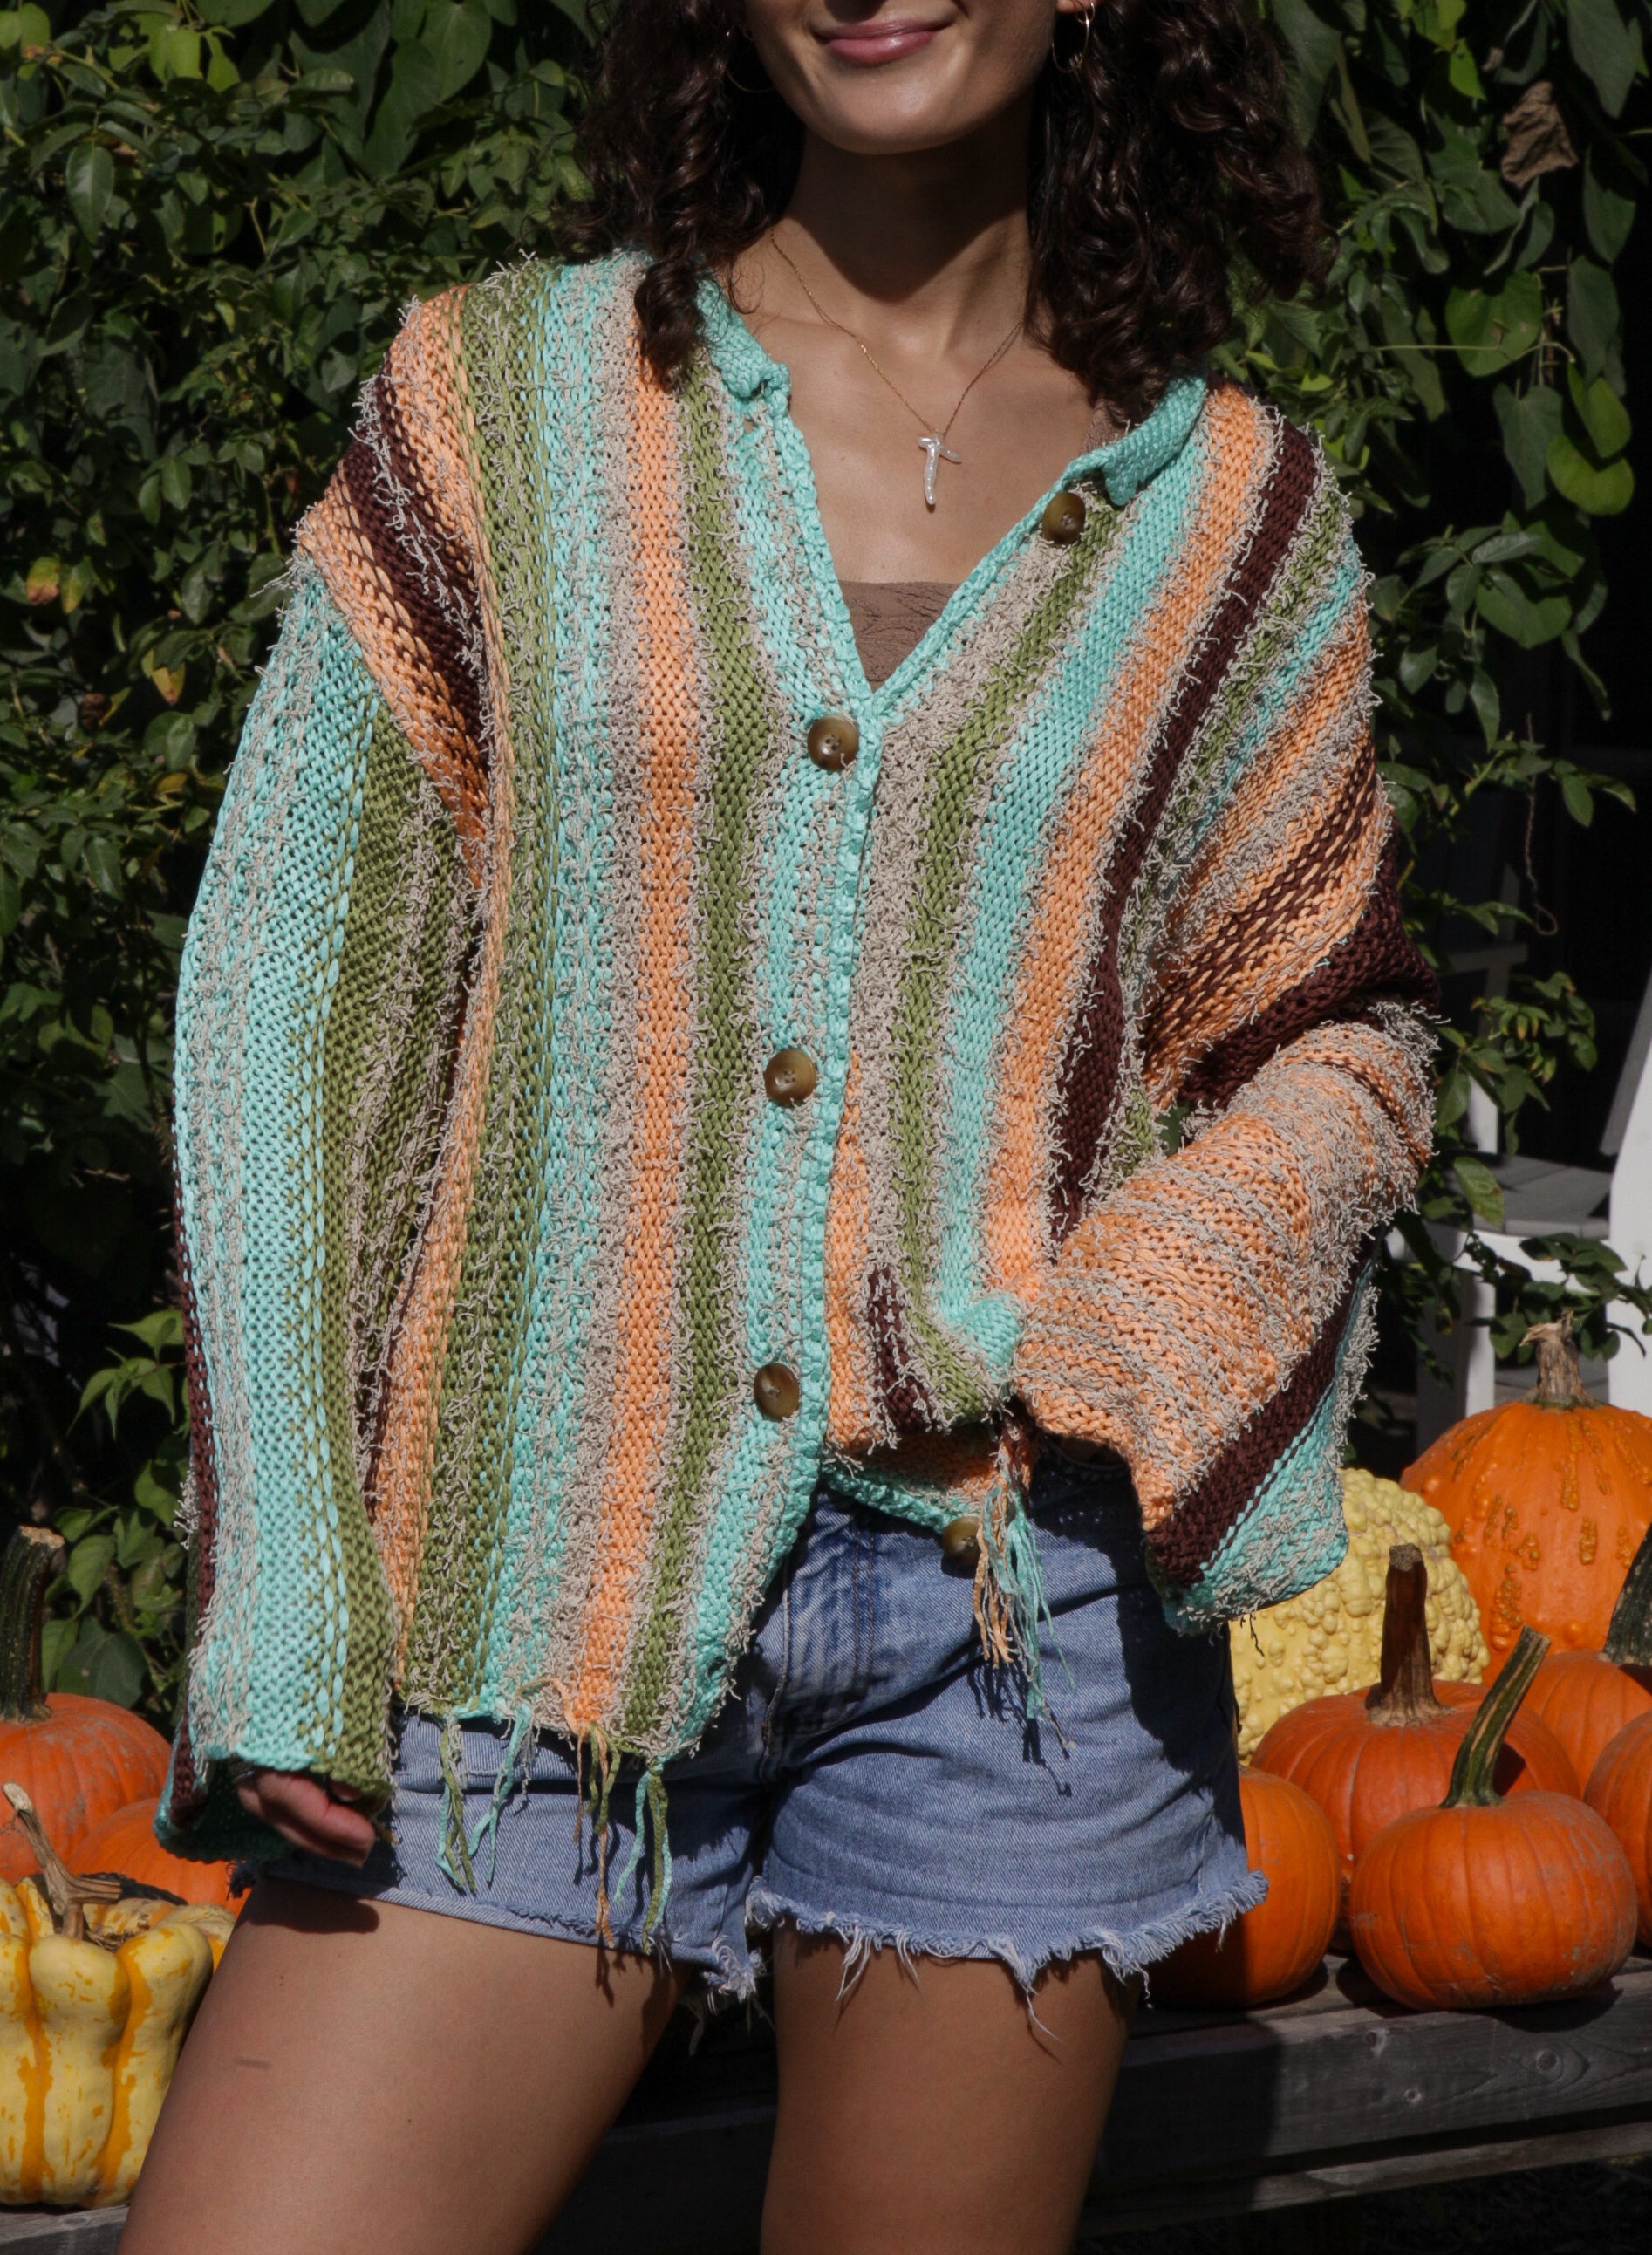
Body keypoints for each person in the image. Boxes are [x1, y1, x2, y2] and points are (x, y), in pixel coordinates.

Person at [125, 1, 1437, 2248]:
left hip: (1012, 1636)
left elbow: (1340, 1025)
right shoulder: (508, 401)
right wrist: (286, 1585)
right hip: (525, 1598)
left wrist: (1142, 1317)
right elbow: (290, 1000)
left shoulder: (1234, 519)